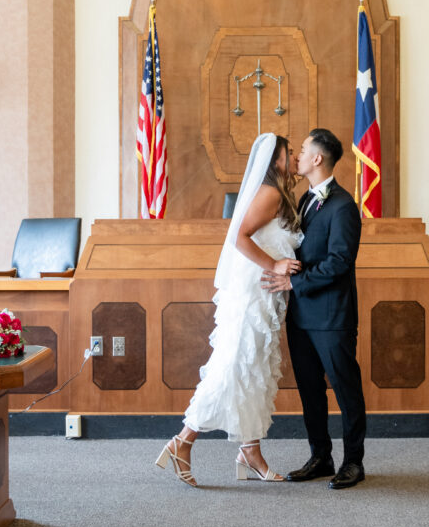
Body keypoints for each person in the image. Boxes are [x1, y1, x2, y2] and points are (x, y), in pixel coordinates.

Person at [155, 133, 302, 487]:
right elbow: (240, 237)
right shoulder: (268, 193)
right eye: (290, 152)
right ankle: (182, 442)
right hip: (251, 299)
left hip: (263, 300)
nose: (295, 155)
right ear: (276, 160)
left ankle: (250, 452)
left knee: (253, 371)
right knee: (232, 367)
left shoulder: (280, 194)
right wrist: (275, 265)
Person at [262, 128, 366, 490]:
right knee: (309, 389)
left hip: (332, 316)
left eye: (303, 150)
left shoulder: (343, 205)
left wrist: (294, 282)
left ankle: (354, 461)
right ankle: (321, 456)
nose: (298, 155)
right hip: (301, 315)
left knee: (345, 388)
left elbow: (340, 262)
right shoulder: (304, 199)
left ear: (317, 159)